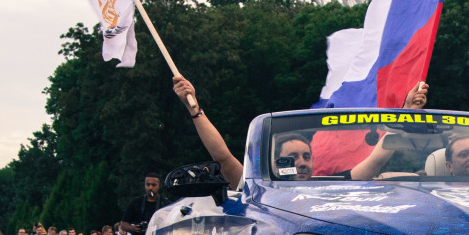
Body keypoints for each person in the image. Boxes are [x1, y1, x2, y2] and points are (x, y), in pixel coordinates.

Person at [171, 75, 428, 188]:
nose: (302, 162)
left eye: (306, 156)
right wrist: (195, 110)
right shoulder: (256, 188)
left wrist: (406, 113)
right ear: (275, 162)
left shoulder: (331, 186)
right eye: (292, 157)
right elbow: (223, 157)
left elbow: (378, 157)